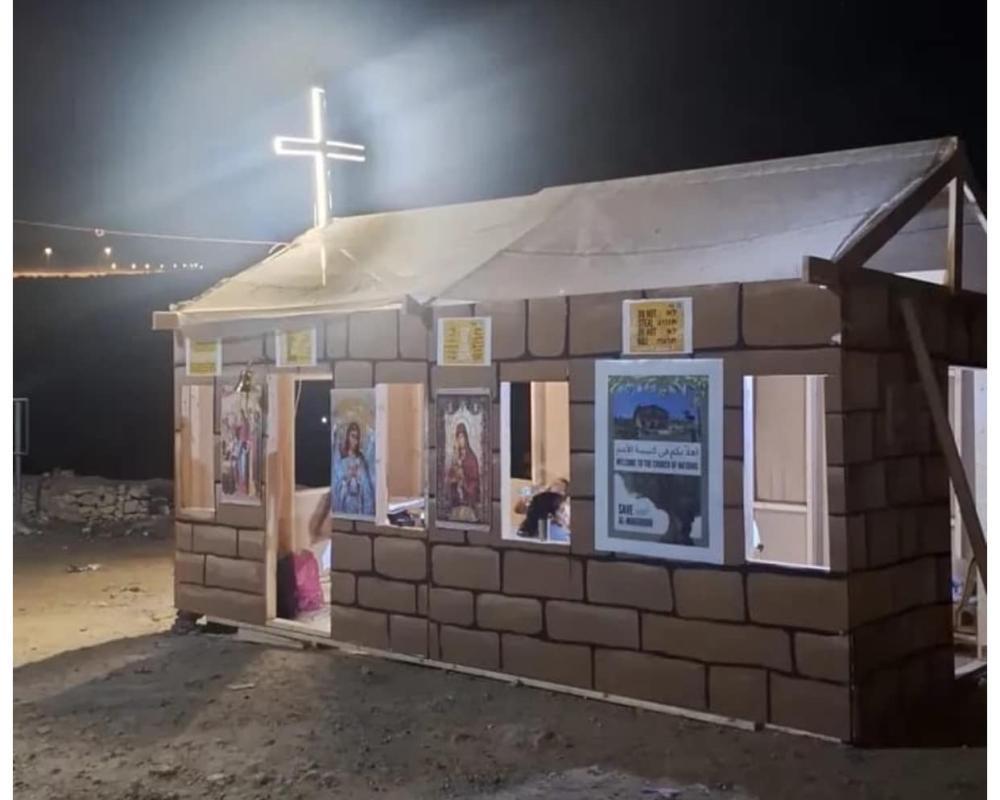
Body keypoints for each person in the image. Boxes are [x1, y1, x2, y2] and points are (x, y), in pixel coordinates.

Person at [333, 421, 374, 516]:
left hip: (359, 506)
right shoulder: (342, 460)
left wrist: (358, 478)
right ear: (348, 436)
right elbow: (337, 484)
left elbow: (367, 488)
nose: (354, 441)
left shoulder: (361, 460)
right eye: (352, 436)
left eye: (357, 438)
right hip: (345, 505)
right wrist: (347, 478)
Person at [446, 422, 481, 516]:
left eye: (462, 437)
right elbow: (450, 477)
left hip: (468, 500)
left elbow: (475, 481)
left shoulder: (472, 457)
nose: (460, 440)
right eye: (458, 437)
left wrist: (464, 479)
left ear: (466, 438)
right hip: (456, 501)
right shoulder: (456, 456)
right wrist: (454, 479)